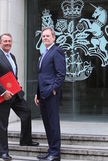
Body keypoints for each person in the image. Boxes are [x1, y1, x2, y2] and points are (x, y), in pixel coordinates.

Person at [0, 33, 39, 160]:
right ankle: (3, 152)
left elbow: (12, 76)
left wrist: (17, 87)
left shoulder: (13, 57)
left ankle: (25, 140)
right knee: (2, 124)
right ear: (0, 43)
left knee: (26, 112)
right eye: (5, 41)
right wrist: (3, 92)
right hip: (2, 97)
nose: (8, 43)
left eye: (9, 41)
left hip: (15, 95)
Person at [34, 27, 66, 161]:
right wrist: (37, 94)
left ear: (54, 38)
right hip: (43, 94)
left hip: (51, 94)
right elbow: (41, 75)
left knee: (53, 123)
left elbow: (61, 74)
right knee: (47, 124)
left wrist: (54, 89)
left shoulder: (56, 51)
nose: (45, 38)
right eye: (43, 36)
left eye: (47, 36)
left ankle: (55, 153)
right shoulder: (44, 53)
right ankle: (51, 150)